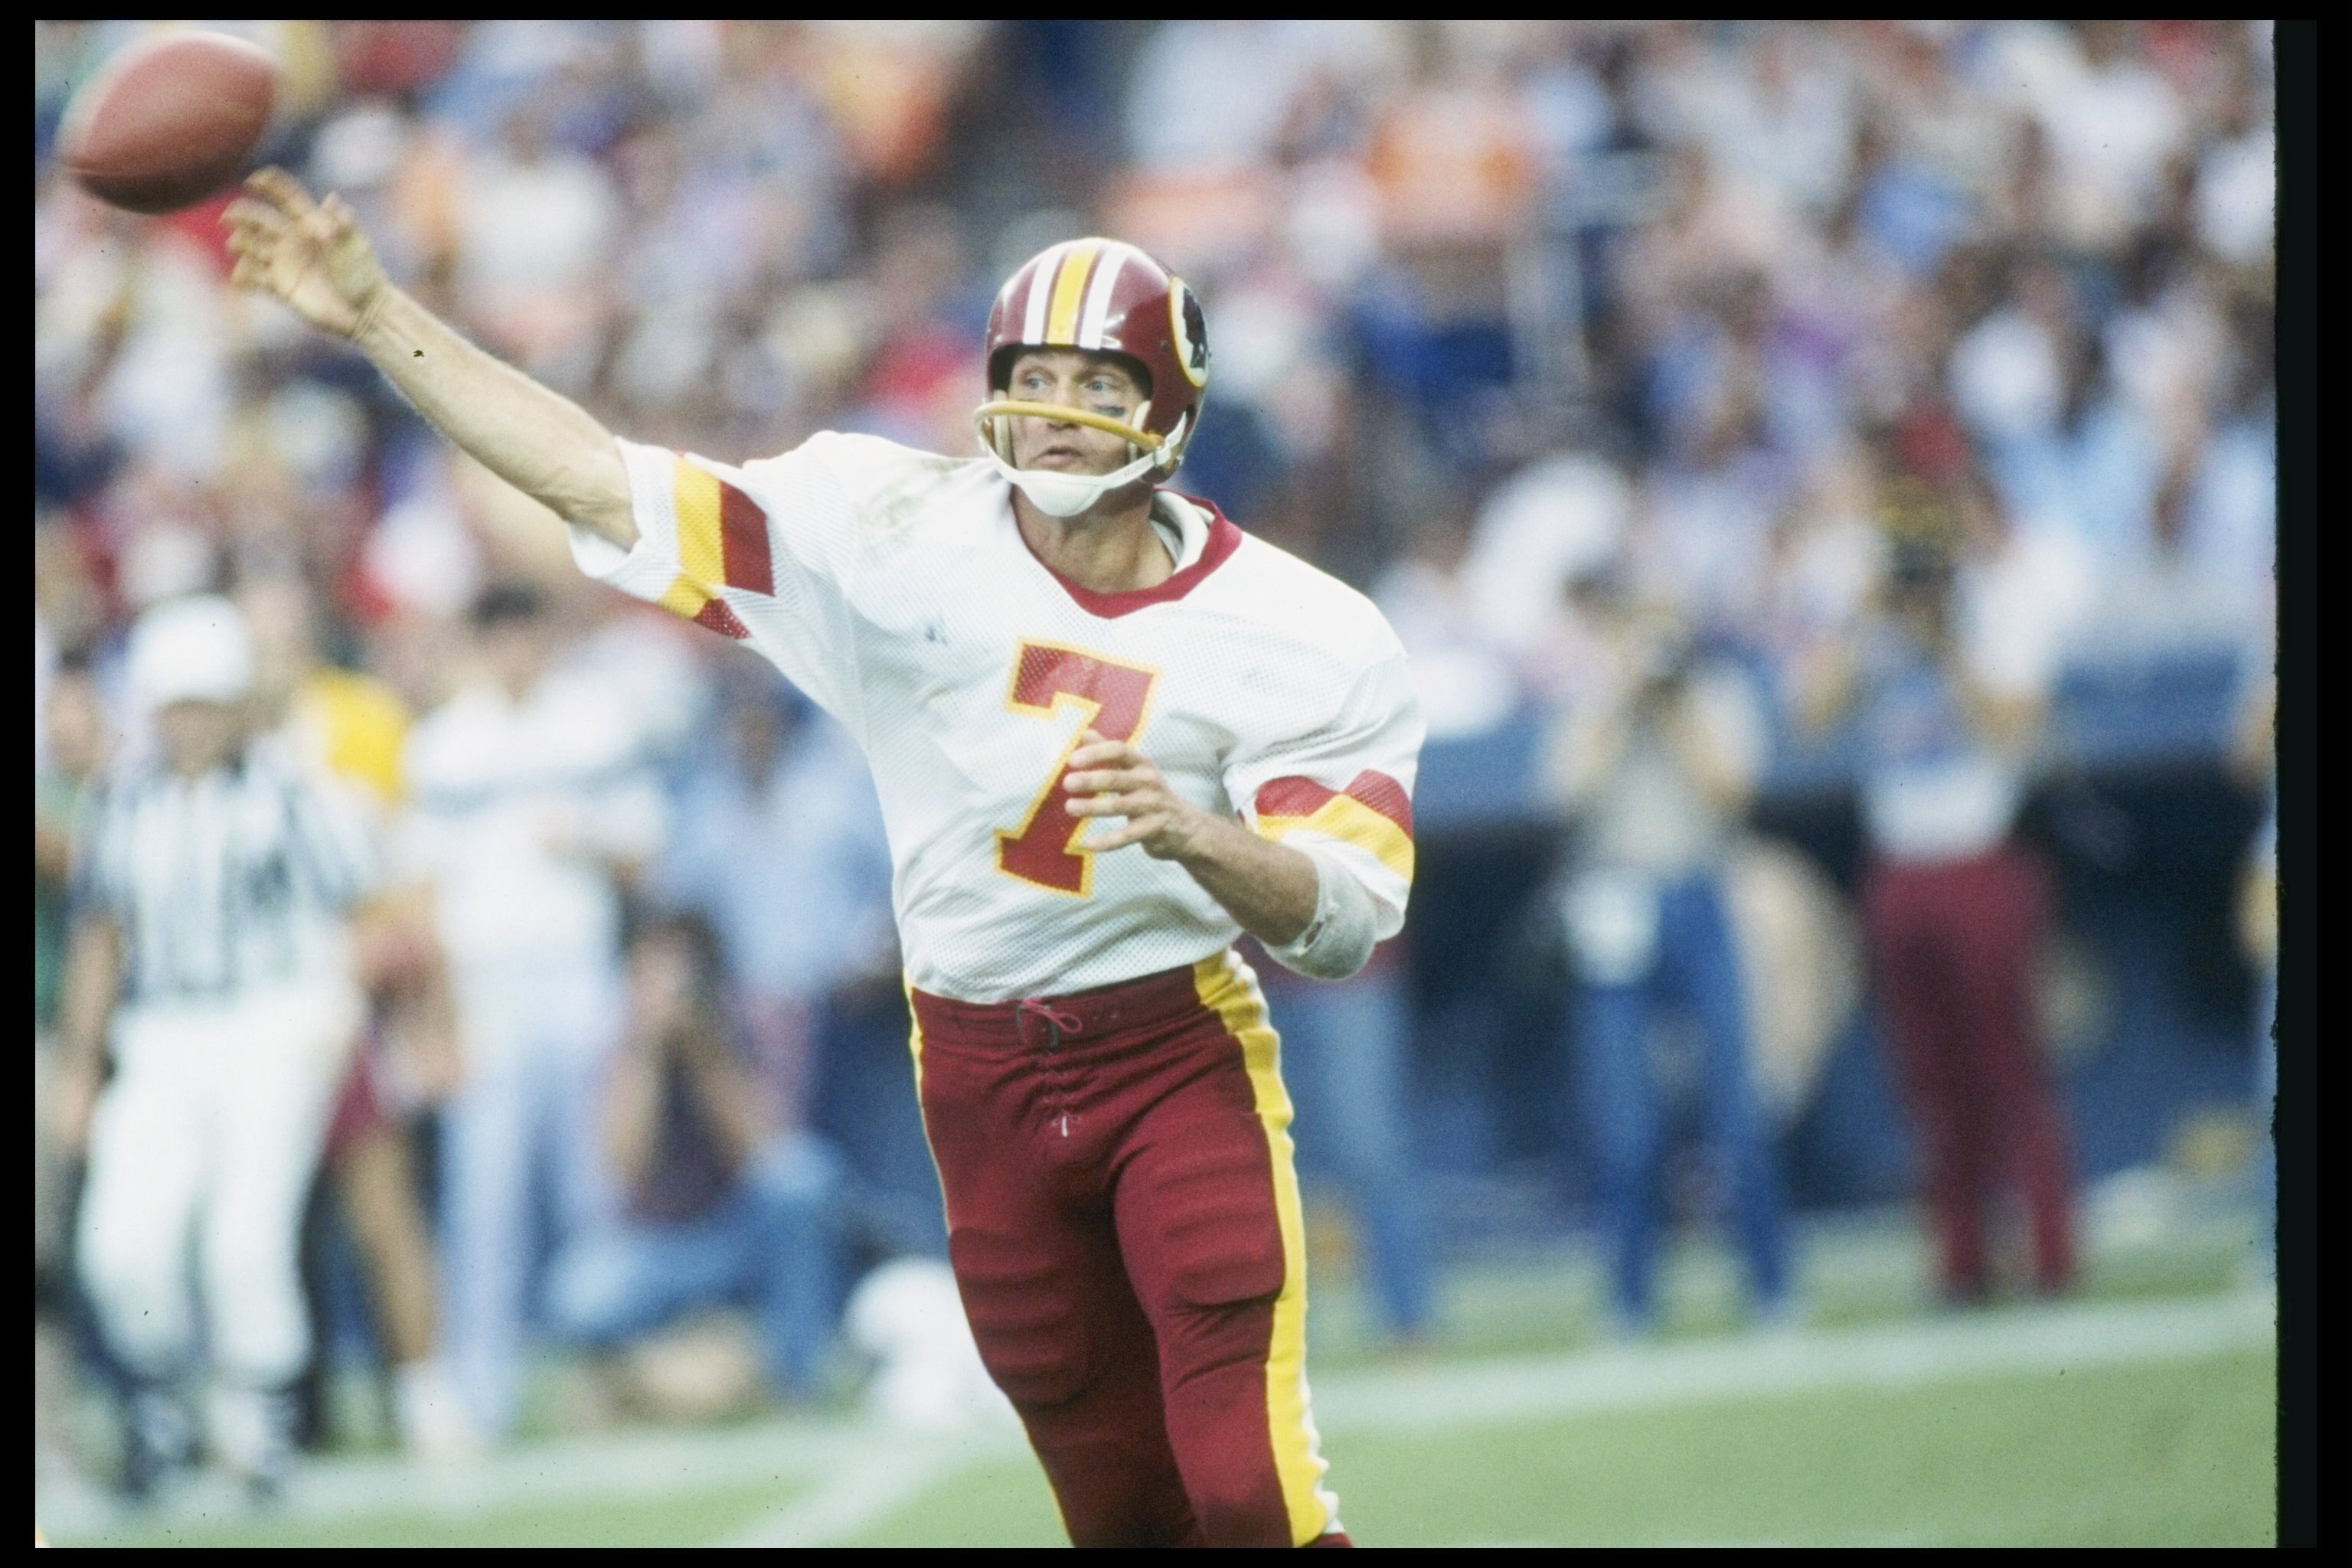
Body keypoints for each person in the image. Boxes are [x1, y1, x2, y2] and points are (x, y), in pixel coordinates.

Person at [228, 171, 1423, 1547]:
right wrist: (382, 320)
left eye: (1095, 381)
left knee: (1244, 1487)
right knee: (1117, 1509)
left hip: (1171, 1051)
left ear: (1167, 405)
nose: (1056, 412)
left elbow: (1341, 921)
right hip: (972, 1065)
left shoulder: (1296, 626)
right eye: (1031, 377)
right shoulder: (889, 526)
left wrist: (1194, 830)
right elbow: (601, 480)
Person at [57, 594, 379, 1501]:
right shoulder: (122, 797)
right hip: (160, 1031)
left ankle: (260, 1432)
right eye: (176, 704)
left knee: (245, 1240)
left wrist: (336, 1013)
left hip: (267, 1021)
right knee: (123, 1243)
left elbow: (354, 906)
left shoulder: (286, 788)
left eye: (206, 702)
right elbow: (100, 935)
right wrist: (83, 1065)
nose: (190, 723)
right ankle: (160, 1409)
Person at [395, 579, 667, 1440]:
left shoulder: (593, 721)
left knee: (591, 1186)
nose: (516, 651)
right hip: (487, 989)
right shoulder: (445, 743)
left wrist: (580, 839)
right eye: (500, 635)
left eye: (526, 633)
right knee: (486, 1197)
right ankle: (482, 1395)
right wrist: (437, 1023)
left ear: (545, 638)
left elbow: (639, 860)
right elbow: (423, 895)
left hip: (577, 977)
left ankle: (607, 1383)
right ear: (482, 644)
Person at [1798, 520, 2076, 1305]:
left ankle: (2048, 1250)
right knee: (1929, 1080)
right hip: (1900, 864)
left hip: (1979, 854)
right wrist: (1864, 629)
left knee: (2008, 1066)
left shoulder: (1996, 621)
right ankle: (1961, 1258)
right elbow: (1811, 719)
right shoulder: (1874, 641)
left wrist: (1948, 645)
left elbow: (2013, 726)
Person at [237, 573, 479, 1461]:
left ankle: (424, 1394)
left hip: (335, 1008)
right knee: (254, 1227)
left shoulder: (344, 739)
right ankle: (266, 1416)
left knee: (381, 1209)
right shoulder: (208, 759)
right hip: (241, 1023)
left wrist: (423, 1009)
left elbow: (398, 887)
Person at [1543, 580, 1789, 1334]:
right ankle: (1629, 1297)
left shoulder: (1711, 693)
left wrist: (1675, 711)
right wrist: (1621, 702)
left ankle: (1771, 1285)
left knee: (1734, 1104)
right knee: (1624, 1118)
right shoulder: (1594, 698)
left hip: (1696, 893)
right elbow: (1562, 795)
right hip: (1615, 899)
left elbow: (1733, 793)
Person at [544, 913, 846, 1406]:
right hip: (656, 1242)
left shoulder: (751, 1024)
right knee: (579, 1296)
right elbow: (624, 1167)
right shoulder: (615, 1044)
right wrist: (649, 1048)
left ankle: (795, 1384)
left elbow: (770, 1154)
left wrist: (706, 1051)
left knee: (805, 1181)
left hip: (739, 1232)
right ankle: (702, 1372)